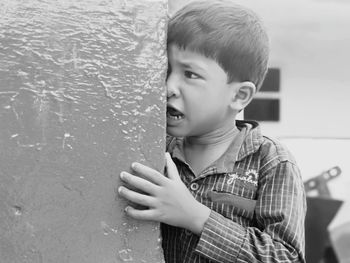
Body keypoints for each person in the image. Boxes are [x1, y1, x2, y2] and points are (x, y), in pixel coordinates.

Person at [118, 0, 307, 262]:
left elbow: (286, 257)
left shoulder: (271, 161)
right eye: (166, 70)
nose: (169, 87)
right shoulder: (152, 147)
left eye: (190, 74)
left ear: (239, 95)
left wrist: (195, 216)